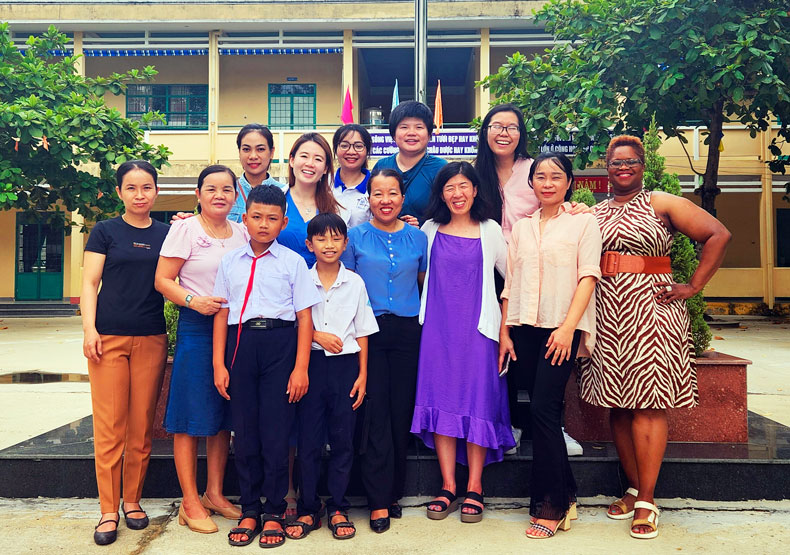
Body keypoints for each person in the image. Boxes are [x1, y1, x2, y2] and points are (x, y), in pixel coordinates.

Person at [579, 135, 731, 539]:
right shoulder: (595, 212)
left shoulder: (661, 203)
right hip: (608, 312)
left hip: (652, 311)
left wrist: (693, 286)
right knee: (618, 404)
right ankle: (632, 488)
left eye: (630, 162)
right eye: (615, 163)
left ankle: (647, 499)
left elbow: (718, 235)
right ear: (606, 168)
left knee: (649, 402)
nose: (623, 168)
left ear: (643, 165)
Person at [498, 152, 602, 539]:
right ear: (532, 184)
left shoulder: (583, 222)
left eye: (555, 176)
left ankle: (550, 504)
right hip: (523, 326)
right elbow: (510, 282)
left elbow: (588, 277)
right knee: (541, 411)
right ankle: (566, 493)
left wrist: (567, 329)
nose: (546, 183)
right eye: (539, 176)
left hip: (562, 328)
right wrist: (505, 332)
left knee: (543, 409)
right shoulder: (522, 228)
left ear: (569, 182)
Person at [212, 184, 321, 548]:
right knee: (244, 434)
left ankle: (274, 510)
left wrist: (300, 368)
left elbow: (305, 318)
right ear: (244, 219)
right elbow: (222, 313)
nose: (263, 224)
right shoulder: (230, 262)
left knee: (276, 434)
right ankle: (249, 508)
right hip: (240, 346)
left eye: (272, 219)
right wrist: (218, 363)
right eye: (256, 217)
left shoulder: (293, 263)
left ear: (283, 222)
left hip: (280, 346)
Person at [412, 162, 514, 524]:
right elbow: (418, 274)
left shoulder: (490, 231)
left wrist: (505, 330)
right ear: (441, 194)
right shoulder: (428, 230)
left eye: (463, 186)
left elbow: (511, 281)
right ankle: (448, 485)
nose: (457, 194)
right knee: (441, 403)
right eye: (449, 188)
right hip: (437, 333)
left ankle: (475, 486)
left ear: (474, 190)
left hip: (479, 332)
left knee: (478, 404)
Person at [154, 165, 247, 534]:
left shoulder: (240, 231)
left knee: (221, 414)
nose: (219, 195)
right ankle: (189, 501)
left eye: (227, 188)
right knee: (190, 416)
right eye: (211, 188)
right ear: (198, 194)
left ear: (236, 195)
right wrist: (193, 301)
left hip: (234, 330)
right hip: (197, 327)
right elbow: (162, 279)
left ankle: (214, 493)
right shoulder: (184, 229)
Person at [82, 160, 170, 546]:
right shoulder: (105, 231)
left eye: (147, 187)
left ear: (156, 191)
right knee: (109, 428)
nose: (139, 195)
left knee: (140, 427)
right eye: (131, 188)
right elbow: (89, 282)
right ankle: (107, 509)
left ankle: (132, 501)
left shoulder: (168, 233)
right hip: (109, 338)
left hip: (151, 337)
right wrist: (89, 330)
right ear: (119, 192)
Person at [340, 168, 428, 533]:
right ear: (369, 199)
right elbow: (345, 286)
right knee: (374, 412)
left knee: (400, 410)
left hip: (408, 332)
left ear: (402, 198)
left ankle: (393, 492)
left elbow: (424, 282)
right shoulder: (355, 237)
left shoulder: (419, 238)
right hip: (368, 332)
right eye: (378, 194)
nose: (386, 200)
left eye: (392, 193)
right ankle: (376, 500)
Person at [284, 213, 379, 541]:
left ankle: (338, 505)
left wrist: (363, 375)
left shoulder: (355, 282)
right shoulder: (300, 280)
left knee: (343, 441)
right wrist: (318, 336)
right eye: (321, 239)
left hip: (346, 368)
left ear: (345, 243)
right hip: (309, 367)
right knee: (308, 440)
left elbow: (363, 331)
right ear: (309, 245)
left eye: (336, 238)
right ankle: (310, 506)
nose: (329, 244)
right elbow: (293, 325)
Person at [372, 101, 447, 225]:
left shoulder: (440, 168)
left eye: (419, 127)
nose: (411, 133)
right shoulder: (381, 166)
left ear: (429, 135)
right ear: (393, 134)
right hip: (385, 240)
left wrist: (422, 228)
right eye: (404, 127)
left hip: (428, 241)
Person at [278, 132, 344, 265]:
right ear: (292, 160)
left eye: (318, 159)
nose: (310, 163)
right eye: (304, 156)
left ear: (325, 168)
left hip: (321, 284)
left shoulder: (336, 208)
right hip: (280, 283)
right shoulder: (277, 201)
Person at [473, 103, 536, 239]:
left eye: (512, 128)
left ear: (521, 134)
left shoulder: (535, 170)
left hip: (527, 255)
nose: (504, 134)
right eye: (497, 126)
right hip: (488, 257)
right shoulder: (474, 175)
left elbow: (554, 210)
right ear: (485, 132)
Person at [332, 124, 373, 228]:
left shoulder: (376, 186)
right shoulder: (324, 184)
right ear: (335, 150)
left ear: (367, 150)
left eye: (358, 146)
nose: (351, 152)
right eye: (344, 146)